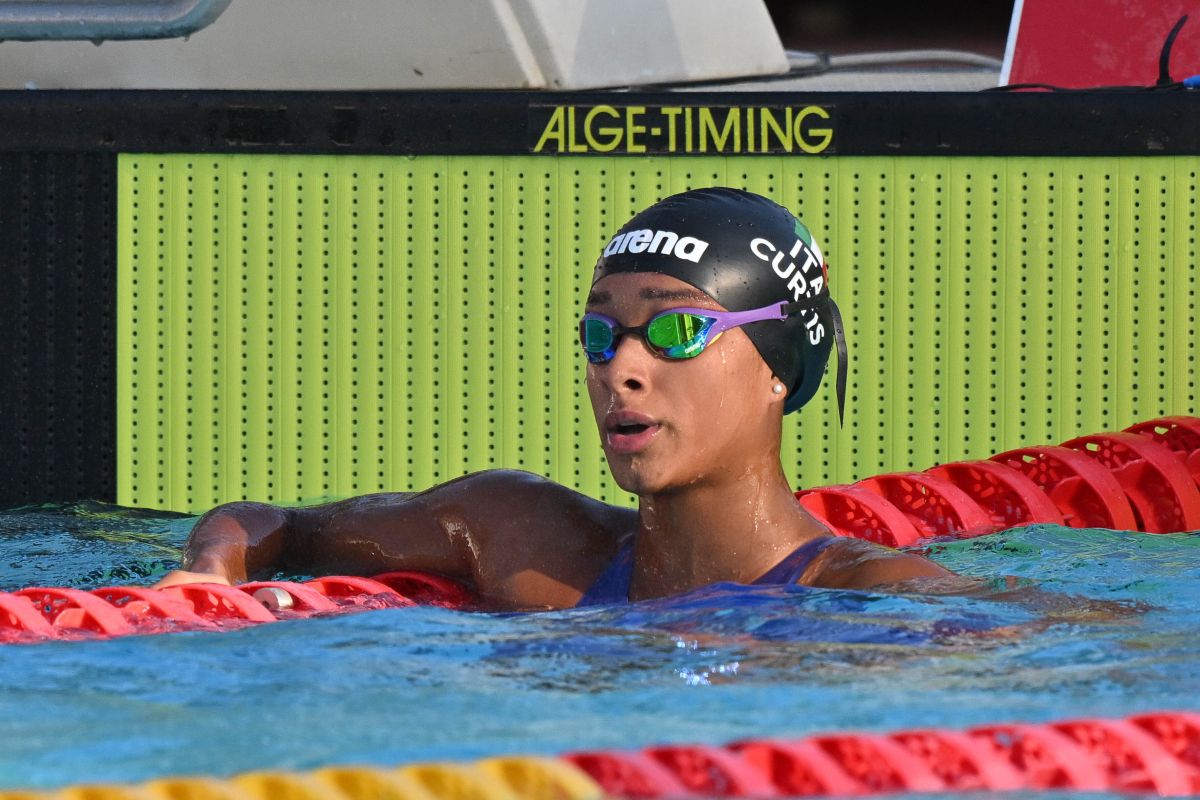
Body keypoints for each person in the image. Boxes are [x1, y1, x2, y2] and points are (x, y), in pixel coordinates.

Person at [154, 187, 953, 609]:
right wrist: (211, 573)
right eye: (601, 337)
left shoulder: (873, 597)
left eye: (676, 331)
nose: (623, 369)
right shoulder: (521, 537)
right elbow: (275, 524)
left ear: (777, 365)